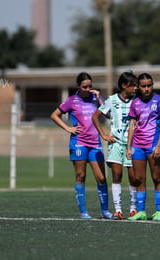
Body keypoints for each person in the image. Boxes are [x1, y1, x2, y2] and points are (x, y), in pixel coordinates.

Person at [50, 72, 113, 219]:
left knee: (101, 178)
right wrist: (68, 128)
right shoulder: (71, 101)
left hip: (95, 143)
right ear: (78, 86)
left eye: (90, 86)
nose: (88, 89)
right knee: (81, 175)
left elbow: (109, 115)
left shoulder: (96, 99)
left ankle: (105, 211)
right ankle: (84, 212)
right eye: (85, 86)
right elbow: (54, 115)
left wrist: (99, 99)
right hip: (79, 143)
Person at [92, 71, 138, 220]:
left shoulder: (137, 101)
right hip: (116, 143)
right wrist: (104, 135)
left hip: (132, 144)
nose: (136, 88)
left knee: (134, 178)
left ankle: (133, 209)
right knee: (117, 175)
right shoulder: (112, 100)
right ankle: (118, 210)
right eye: (133, 85)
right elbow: (95, 116)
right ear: (124, 86)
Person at [126, 73, 160, 221]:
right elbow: (132, 125)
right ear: (138, 87)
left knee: (156, 177)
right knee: (139, 179)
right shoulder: (135, 102)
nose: (147, 89)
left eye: (149, 85)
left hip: (153, 145)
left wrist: (159, 145)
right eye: (143, 86)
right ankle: (141, 211)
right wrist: (128, 146)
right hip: (137, 146)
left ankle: (159, 211)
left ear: (152, 85)